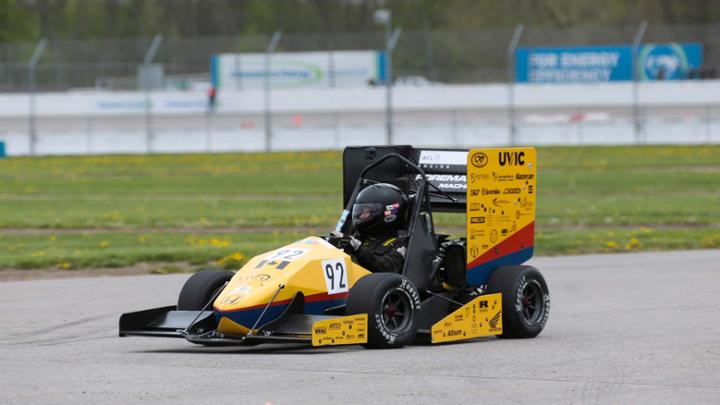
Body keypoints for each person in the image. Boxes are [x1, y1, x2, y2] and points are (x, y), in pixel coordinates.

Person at [331, 183, 409, 273]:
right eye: (360, 210)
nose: (361, 215)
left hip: (372, 284)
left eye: (367, 211)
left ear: (388, 214)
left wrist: (358, 249)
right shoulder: (358, 236)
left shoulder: (400, 244)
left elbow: (387, 268)